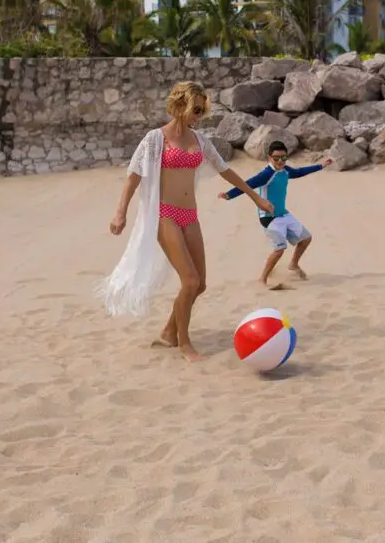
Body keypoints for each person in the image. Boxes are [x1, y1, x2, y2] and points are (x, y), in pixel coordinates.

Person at [99, 80, 274, 363]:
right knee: (190, 280)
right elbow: (133, 176)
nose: (199, 116)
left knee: (200, 283)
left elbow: (226, 171)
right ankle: (184, 344)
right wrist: (120, 212)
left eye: (202, 111)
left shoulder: (200, 141)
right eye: (196, 110)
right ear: (181, 105)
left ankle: (169, 331)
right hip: (165, 214)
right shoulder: (155, 139)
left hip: (189, 216)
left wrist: (256, 198)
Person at [219, 140, 332, 289]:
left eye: (283, 158)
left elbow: (299, 172)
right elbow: (247, 185)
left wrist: (320, 166)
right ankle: (262, 279)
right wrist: (229, 195)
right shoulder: (267, 174)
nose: (280, 161)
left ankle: (293, 264)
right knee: (280, 248)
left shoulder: (285, 170)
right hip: (268, 217)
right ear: (269, 158)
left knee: (306, 239)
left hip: (283, 214)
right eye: (276, 158)